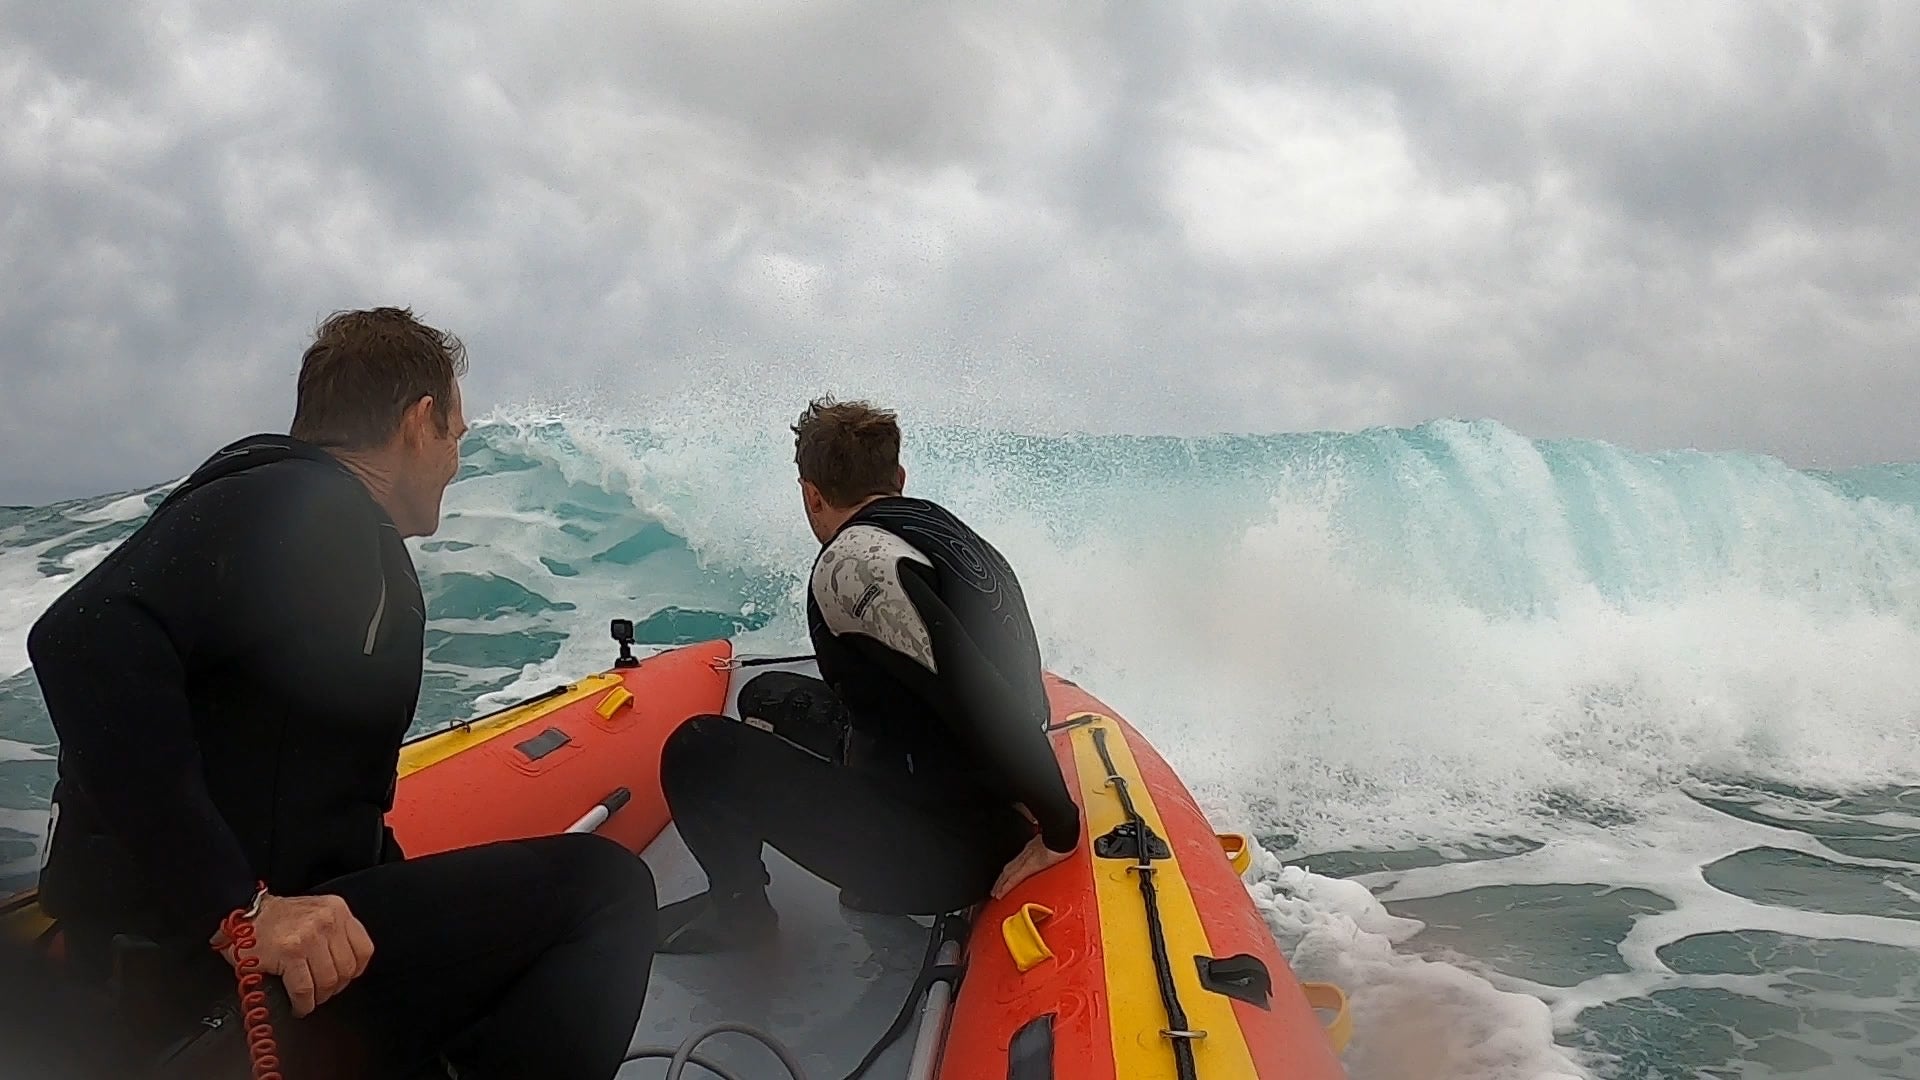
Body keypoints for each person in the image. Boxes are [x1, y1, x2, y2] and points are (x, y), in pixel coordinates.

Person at [23, 308, 657, 1079]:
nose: (456, 460)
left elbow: (309, 779)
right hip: (205, 982)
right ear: (418, 422)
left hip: (227, 958)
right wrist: (239, 912)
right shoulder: (299, 505)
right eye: (455, 434)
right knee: (606, 890)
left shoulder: (311, 522)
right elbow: (79, 639)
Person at [655, 397, 1081, 952]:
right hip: (982, 794)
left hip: (950, 852)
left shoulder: (852, 568)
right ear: (898, 478)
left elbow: (981, 696)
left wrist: (1060, 829)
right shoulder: (941, 530)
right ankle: (877, 862)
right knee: (767, 696)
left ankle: (739, 912)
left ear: (811, 492)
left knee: (697, 749)